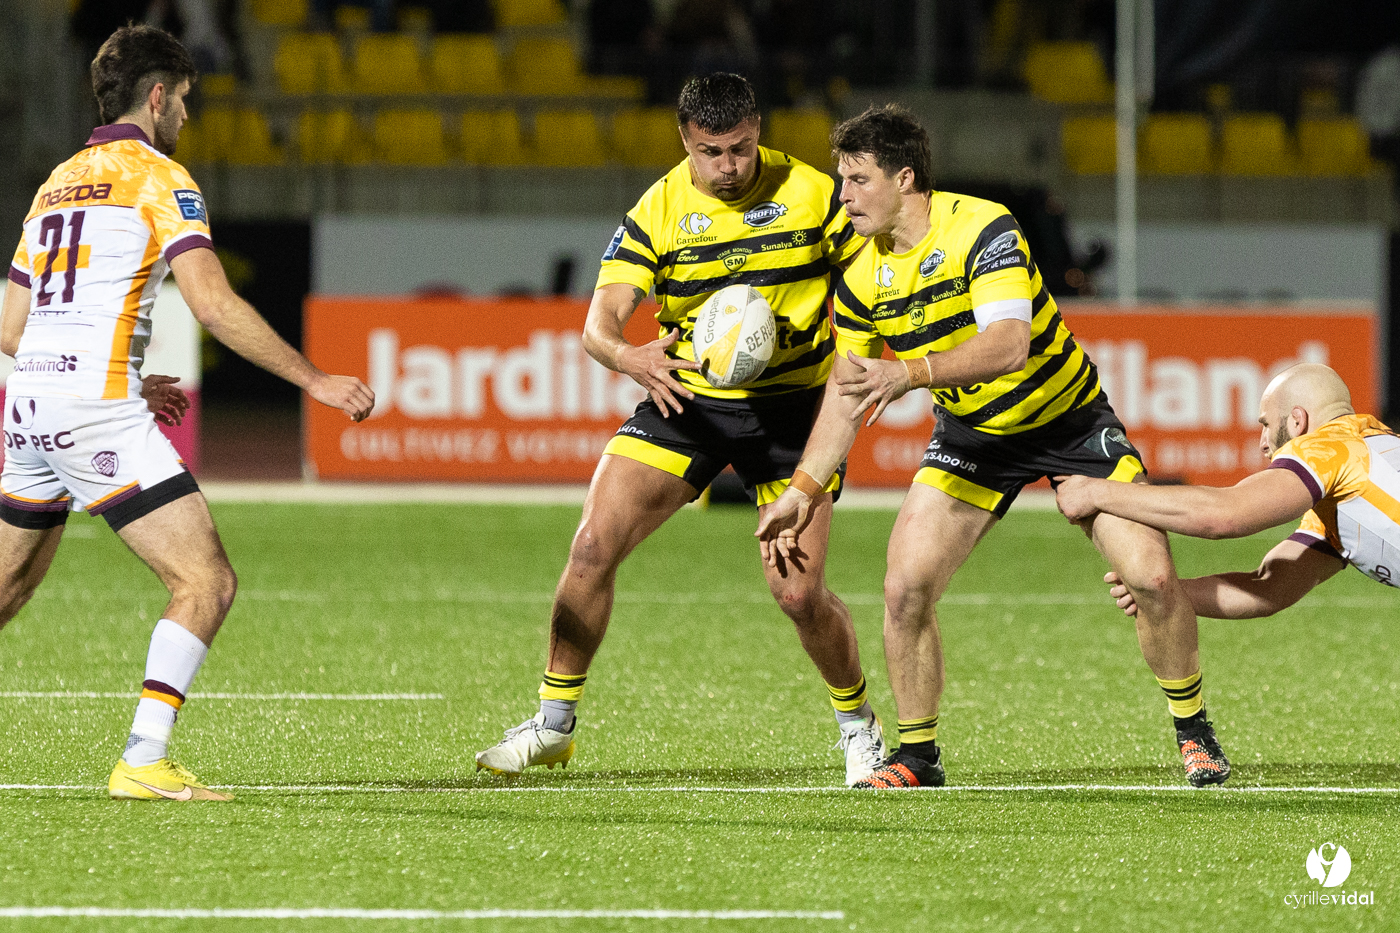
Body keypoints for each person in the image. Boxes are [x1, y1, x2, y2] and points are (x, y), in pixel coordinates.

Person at [757, 104, 1228, 789]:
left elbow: (1009, 345)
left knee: (1152, 577)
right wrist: (801, 490)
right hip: (974, 439)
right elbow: (847, 393)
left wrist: (909, 372)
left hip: (1071, 425)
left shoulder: (983, 227)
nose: (844, 195)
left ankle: (1194, 728)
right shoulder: (860, 277)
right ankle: (917, 755)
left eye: (857, 179)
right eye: (841, 179)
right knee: (904, 585)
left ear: (905, 177)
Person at [475, 73, 886, 786]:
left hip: (793, 411)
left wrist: (857, 371)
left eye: (741, 148)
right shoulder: (660, 207)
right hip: (687, 402)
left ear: (759, 129)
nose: (729, 167)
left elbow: (871, 287)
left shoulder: (815, 195)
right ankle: (553, 723)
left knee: (796, 593)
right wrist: (629, 355)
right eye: (711, 152)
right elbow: (598, 327)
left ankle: (859, 726)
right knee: (593, 543)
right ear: (684, 143)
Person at [1, 25, 374, 801]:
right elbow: (213, 303)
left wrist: (110, 382)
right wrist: (315, 380)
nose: (188, 119)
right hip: (90, 408)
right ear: (160, 95)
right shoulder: (160, 176)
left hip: (30, 400)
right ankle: (143, 759)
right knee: (205, 581)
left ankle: (144, 759)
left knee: (5, 593)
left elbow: (9, 327)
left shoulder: (58, 181)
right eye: (188, 102)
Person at [1056, 363, 1396, 618]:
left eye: (1266, 424)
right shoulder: (1361, 458)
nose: (1264, 444)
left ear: (1297, 421)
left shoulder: (1328, 448)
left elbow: (1224, 516)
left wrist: (1096, 492)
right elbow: (1270, 587)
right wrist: (1169, 593)